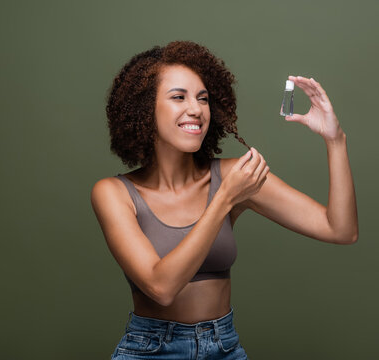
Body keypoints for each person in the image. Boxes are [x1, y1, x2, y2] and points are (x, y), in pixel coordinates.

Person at [90, 41, 358, 360]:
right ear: (145, 108)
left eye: (203, 99)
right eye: (179, 97)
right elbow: (161, 287)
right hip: (151, 350)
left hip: (224, 347)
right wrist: (225, 199)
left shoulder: (234, 175)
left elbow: (340, 230)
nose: (196, 109)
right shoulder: (114, 192)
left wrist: (335, 140)